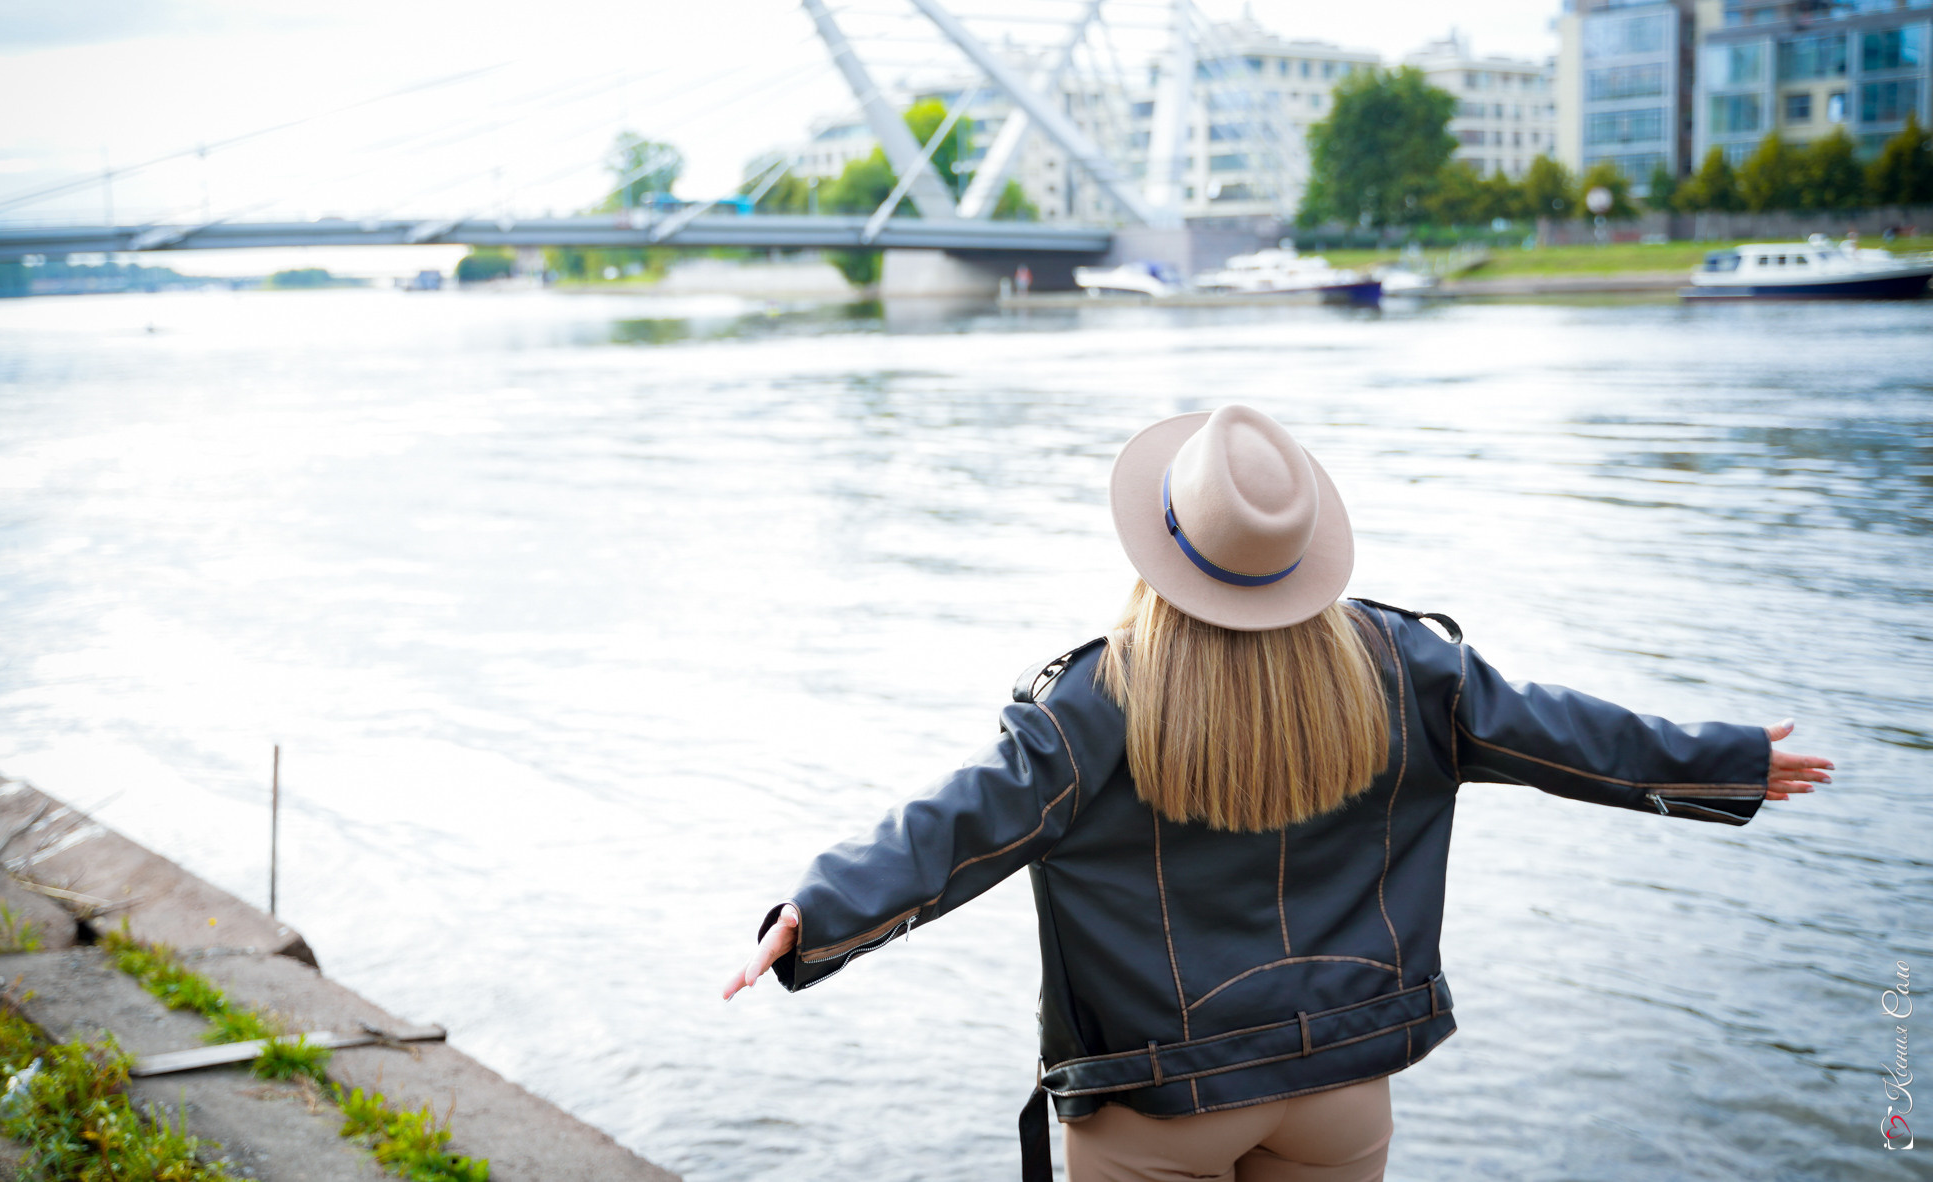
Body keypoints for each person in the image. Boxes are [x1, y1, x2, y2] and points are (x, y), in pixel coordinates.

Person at [723, 405, 1831, 1182]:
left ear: (1159, 543)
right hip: (1341, 1085)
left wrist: (817, 912)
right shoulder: (1402, 665)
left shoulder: (1094, 702)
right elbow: (1564, 732)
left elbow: (960, 824)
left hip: (1156, 1102)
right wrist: (1724, 759)